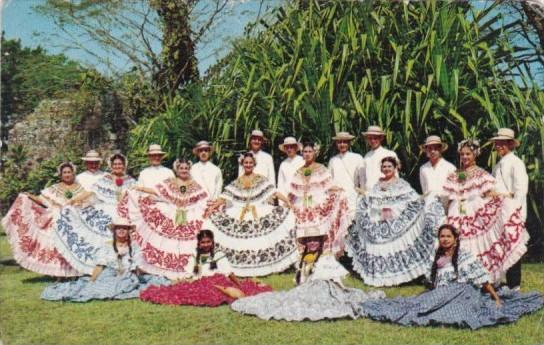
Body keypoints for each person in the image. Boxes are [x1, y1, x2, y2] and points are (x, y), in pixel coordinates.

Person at [360, 225, 543, 329]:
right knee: (416, 304)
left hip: (463, 292)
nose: (445, 239)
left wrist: (496, 299)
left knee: (454, 314)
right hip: (442, 292)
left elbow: (482, 279)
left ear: (455, 238)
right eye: (442, 236)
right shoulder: (438, 256)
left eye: (448, 236)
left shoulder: (464, 256)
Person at [230, 228, 385, 321]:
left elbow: (336, 280)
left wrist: (338, 292)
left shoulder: (326, 256)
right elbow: (301, 281)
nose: (312, 243)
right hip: (307, 288)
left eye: (315, 241)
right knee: (287, 300)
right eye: (309, 241)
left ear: (320, 242)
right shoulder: (303, 259)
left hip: (325, 287)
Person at [346, 156, 445, 287]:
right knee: (381, 248)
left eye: (389, 166)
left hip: (396, 222)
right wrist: (365, 198)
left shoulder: (401, 183)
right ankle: (382, 276)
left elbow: (412, 198)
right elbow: (372, 199)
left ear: (395, 168)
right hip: (380, 222)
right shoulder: (377, 184)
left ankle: (402, 275)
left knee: (398, 246)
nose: (386, 169)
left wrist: (425, 199)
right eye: (384, 166)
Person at [444, 139, 529, 283]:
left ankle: (490, 279)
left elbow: (489, 193)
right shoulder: (461, 173)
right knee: (461, 242)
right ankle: (463, 277)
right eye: (462, 154)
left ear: (475, 155)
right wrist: (459, 211)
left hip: (479, 211)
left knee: (481, 244)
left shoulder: (482, 173)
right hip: (461, 211)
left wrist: (505, 198)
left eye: (468, 154)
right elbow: (461, 192)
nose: (464, 157)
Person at [205, 152, 298, 276]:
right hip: (241, 213)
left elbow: (274, 192)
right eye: (246, 163)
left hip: (258, 211)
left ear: (254, 164)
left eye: (250, 163)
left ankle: (265, 267)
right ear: (242, 164)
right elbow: (224, 197)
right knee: (242, 242)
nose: (248, 165)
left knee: (262, 240)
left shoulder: (260, 179)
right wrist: (212, 208)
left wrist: (286, 201)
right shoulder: (238, 181)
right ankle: (243, 268)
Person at [41, 217, 169, 302]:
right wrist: (92, 280)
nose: (121, 231)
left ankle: (116, 287)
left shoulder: (134, 246)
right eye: (119, 228)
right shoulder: (107, 245)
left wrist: (136, 275)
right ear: (114, 231)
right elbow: (100, 265)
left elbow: (137, 266)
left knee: (128, 283)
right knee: (97, 286)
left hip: (127, 275)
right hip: (109, 274)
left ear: (129, 231)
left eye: (124, 228)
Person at [120, 158, 209, 280]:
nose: (184, 170)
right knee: (167, 243)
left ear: (189, 169)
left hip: (189, 217)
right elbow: (156, 191)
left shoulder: (195, 185)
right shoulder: (170, 182)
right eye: (181, 168)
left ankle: (186, 269)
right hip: (171, 214)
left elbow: (203, 200)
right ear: (176, 170)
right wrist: (140, 189)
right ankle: (164, 270)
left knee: (187, 244)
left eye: (186, 168)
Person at [140, 230, 272, 307]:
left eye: (208, 242)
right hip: (200, 282)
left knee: (239, 294)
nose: (206, 244)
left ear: (213, 242)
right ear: (198, 243)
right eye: (203, 242)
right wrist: (182, 281)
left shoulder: (219, 254)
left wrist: (240, 284)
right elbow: (189, 274)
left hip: (219, 281)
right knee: (179, 292)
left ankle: (246, 287)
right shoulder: (194, 255)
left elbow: (228, 273)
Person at [53, 153, 136, 274]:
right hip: (106, 211)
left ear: (124, 165)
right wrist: (73, 200)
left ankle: (124, 267)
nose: (118, 166)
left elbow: (138, 196)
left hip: (124, 213)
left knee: (124, 240)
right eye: (115, 164)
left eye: (120, 164)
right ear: (111, 166)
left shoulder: (131, 181)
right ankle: (100, 267)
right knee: (101, 239)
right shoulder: (105, 179)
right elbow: (91, 192)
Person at [1, 162, 84, 277]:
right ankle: (58, 274)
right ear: (60, 175)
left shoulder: (80, 189)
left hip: (73, 222)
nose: (67, 174)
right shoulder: (55, 188)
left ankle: (73, 273)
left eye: (69, 172)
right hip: (56, 221)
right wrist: (29, 196)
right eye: (64, 172)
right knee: (56, 248)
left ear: (73, 173)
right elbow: (42, 200)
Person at [288, 141, 350, 256]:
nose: (307, 154)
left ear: (315, 153)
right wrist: (288, 201)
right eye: (305, 152)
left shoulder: (321, 168)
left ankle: (321, 254)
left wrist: (339, 192)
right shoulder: (299, 170)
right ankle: (305, 256)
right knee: (304, 229)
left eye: (310, 151)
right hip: (303, 204)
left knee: (319, 229)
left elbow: (329, 185)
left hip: (317, 203)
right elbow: (294, 189)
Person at [490, 128, 529, 290]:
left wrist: (515, 215)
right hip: (499, 212)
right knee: (500, 247)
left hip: (512, 212)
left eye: (503, 143)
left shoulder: (516, 163)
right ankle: (499, 280)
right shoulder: (498, 164)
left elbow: (520, 191)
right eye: (497, 143)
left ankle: (515, 285)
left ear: (510, 144)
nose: (499, 146)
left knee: (513, 247)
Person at [328, 131, 364, 216]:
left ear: (349, 143)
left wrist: (362, 193)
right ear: (336, 144)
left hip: (352, 195)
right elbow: (329, 180)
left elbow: (362, 178)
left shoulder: (357, 157)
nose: (342, 144)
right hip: (337, 196)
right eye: (339, 142)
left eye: (344, 142)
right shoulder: (333, 160)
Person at [355, 126, 398, 193]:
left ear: (381, 138)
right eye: (370, 138)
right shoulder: (367, 156)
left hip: (385, 192)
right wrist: (363, 191)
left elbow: (395, 175)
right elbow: (364, 177)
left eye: (375, 138)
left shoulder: (389, 154)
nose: (373, 141)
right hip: (369, 193)